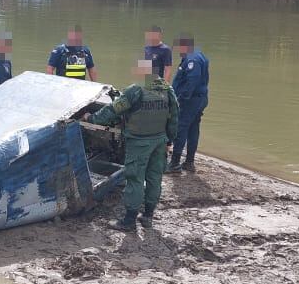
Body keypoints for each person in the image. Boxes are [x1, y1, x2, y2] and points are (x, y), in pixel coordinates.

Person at [85, 60, 179, 231]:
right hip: (159, 142)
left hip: (139, 142)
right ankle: (148, 216)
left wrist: (90, 119)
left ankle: (129, 221)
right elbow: (174, 118)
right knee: (154, 178)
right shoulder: (168, 90)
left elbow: (112, 110)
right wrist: (170, 141)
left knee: (135, 178)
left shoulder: (135, 91)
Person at [167, 35, 209, 174]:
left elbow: (193, 80)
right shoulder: (198, 54)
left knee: (181, 128)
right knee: (193, 128)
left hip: (190, 101)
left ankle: (174, 163)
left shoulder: (192, 60)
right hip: (199, 99)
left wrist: (181, 99)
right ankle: (189, 162)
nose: (178, 52)